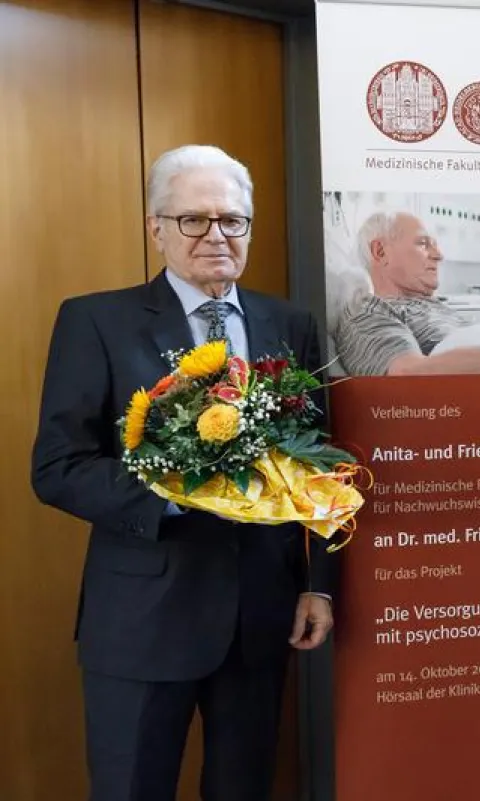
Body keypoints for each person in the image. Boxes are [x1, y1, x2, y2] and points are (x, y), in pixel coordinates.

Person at [30, 144, 336, 800]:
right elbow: (57, 467)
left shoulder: (290, 323)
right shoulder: (96, 321)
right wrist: (175, 489)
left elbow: (322, 463)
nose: (215, 236)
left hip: (260, 617)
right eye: (194, 219)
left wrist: (321, 586)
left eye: (232, 220)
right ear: (157, 228)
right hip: (142, 618)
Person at [333, 210, 480, 375]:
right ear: (380, 251)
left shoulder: (432, 307)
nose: (439, 255)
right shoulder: (368, 312)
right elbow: (407, 375)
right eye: (423, 244)